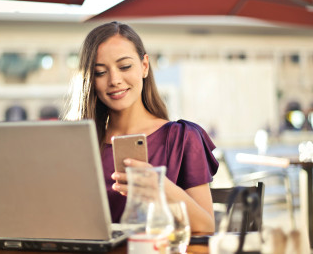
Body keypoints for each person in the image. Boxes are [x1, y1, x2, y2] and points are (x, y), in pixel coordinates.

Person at [64, 22, 218, 233]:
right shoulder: (78, 145)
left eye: (125, 67)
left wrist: (160, 187)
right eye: (100, 72)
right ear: (90, 80)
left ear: (144, 66)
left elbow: (207, 226)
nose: (115, 80)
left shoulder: (182, 137)